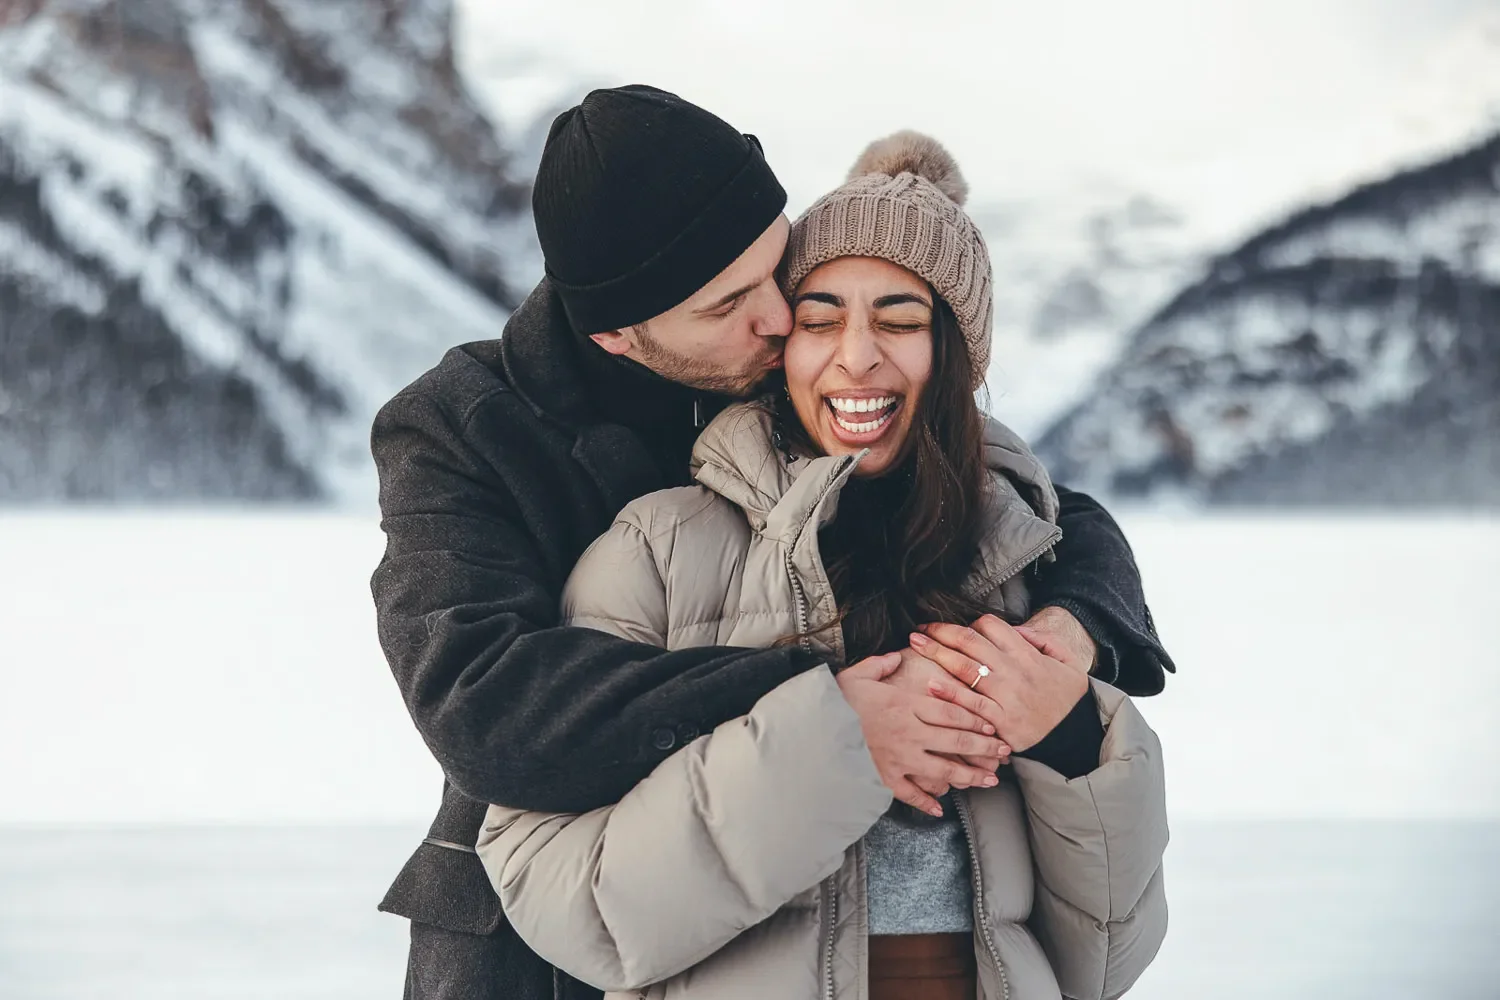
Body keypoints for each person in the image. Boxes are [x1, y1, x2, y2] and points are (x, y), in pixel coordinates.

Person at [371, 87, 1174, 1000]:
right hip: (533, 944)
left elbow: (1015, 495)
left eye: (778, 270)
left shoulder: (778, 363)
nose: (783, 319)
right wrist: (828, 704)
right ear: (617, 336)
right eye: (731, 303)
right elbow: (486, 707)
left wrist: (1085, 623)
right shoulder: (461, 431)